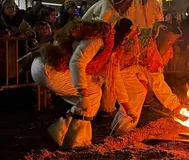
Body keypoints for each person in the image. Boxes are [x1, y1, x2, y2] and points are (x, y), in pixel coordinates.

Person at [30, 19, 136, 149]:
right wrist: (82, 91)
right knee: (93, 94)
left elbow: (116, 79)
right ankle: (75, 140)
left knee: (87, 99)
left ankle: (58, 132)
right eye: (126, 38)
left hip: (46, 68)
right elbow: (76, 62)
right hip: (49, 69)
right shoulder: (98, 40)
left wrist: (127, 107)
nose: (125, 43)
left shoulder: (109, 49)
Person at [112, 22, 182, 135]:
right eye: (169, 42)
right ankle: (122, 131)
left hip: (128, 68)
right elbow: (156, 81)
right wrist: (175, 106)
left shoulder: (151, 43)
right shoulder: (148, 47)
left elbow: (145, 69)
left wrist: (175, 105)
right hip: (120, 67)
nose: (170, 45)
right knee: (135, 94)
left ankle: (118, 128)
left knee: (139, 91)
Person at [82, 0, 136, 114]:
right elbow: (101, 31)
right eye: (127, 3)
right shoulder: (107, 10)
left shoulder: (112, 7)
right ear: (121, 0)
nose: (128, 6)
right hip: (88, 44)